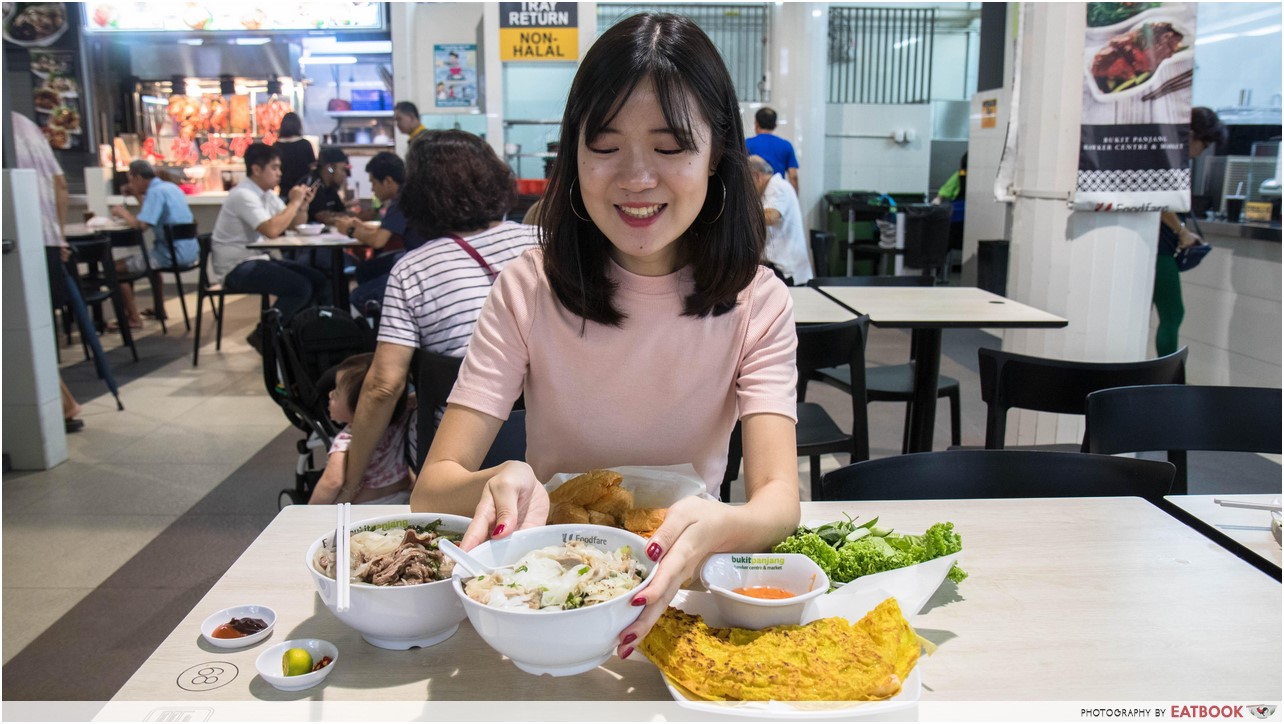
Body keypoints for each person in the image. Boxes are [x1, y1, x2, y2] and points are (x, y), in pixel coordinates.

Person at [411, 13, 801, 659]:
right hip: (540, 595)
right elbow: (433, 486)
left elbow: (778, 501)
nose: (636, 177)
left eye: (671, 146)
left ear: (716, 157)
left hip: (683, 585)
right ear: (574, 153)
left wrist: (726, 521)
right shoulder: (527, 287)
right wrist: (500, 476)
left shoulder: (758, 302)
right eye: (605, 143)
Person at [338, 129, 540, 503]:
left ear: (419, 195)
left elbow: (384, 385)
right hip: (552, 439)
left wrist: (351, 483)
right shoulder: (542, 241)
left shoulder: (413, 269)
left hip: (459, 456)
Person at [12, 111, 85, 433]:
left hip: (15, 242)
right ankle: (62, 405)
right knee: (35, 328)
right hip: (44, 242)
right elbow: (61, 185)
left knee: (18, 329)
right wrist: (58, 235)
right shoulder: (25, 124)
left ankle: (57, 407)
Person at [210, 142, 330, 334]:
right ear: (256, 169)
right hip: (236, 267)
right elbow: (272, 230)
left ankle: (306, 336)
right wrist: (294, 202)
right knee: (300, 287)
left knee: (318, 280)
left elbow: (294, 225)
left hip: (259, 259)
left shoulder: (266, 195)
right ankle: (264, 336)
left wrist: (302, 206)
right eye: (274, 168)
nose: (279, 173)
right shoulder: (243, 194)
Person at [1153, 107, 1227, 357]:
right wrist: (1182, 231)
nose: (1201, 153)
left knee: (1159, 313)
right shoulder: (1169, 158)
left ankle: (1160, 377)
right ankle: (1167, 379)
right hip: (1159, 249)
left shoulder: (1164, 153)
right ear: (1192, 135)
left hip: (1154, 247)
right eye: (1203, 145)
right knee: (1173, 312)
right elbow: (1158, 200)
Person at [309, 353, 414, 505]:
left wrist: (308, 513)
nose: (330, 394)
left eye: (337, 392)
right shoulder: (400, 420)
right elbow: (411, 400)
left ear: (360, 406)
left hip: (363, 507)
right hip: (402, 496)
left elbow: (332, 482)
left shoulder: (346, 440)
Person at [331, 151, 425, 315]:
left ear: (387, 181)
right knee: (365, 270)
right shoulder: (408, 195)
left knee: (359, 296)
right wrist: (361, 227)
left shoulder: (402, 201)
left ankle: (387, 329)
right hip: (416, 257)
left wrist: (351, 230)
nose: (372, 189)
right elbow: (385, 230)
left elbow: (378, 241)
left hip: (420, 266)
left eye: (373, 182)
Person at [108, 159, 198, 328]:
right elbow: (150, 213)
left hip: (170, 254)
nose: (130, 184)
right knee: (151, 264)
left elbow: (141, 225)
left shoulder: (155, 192)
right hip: (190, 251)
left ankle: (133, 318)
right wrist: (136, 195)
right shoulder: (169, 187)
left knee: (113, 268)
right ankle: (159, 308)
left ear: (138, 177)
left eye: (131, 180)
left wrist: (122, 213)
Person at [749, 154, 812, 286]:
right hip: (777, 266)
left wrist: (740, 214)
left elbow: (771, 216)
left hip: (787, 270)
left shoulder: (778, 186)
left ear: (756, 176)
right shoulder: (768, 190)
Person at [745, 107, 799, 194]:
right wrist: (794, 197)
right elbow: (793, 176)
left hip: (753, 195)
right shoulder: (786, 145)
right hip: (778, 194)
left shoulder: (746, 144)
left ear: (756, 123)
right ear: (774, 125)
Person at [305, 147, 355, 225]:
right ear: (330, 168)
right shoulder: (314, 185)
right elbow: (323, 217)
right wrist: (360, 217)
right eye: (343, 170)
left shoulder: (330, 187)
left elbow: (341, 211)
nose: (345, 175)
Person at [274, 112, 316, 202]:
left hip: (283, 192)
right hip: (303, 193)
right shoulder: (305, 144)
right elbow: (313, 167)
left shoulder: (276, 146)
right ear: (298, 126)